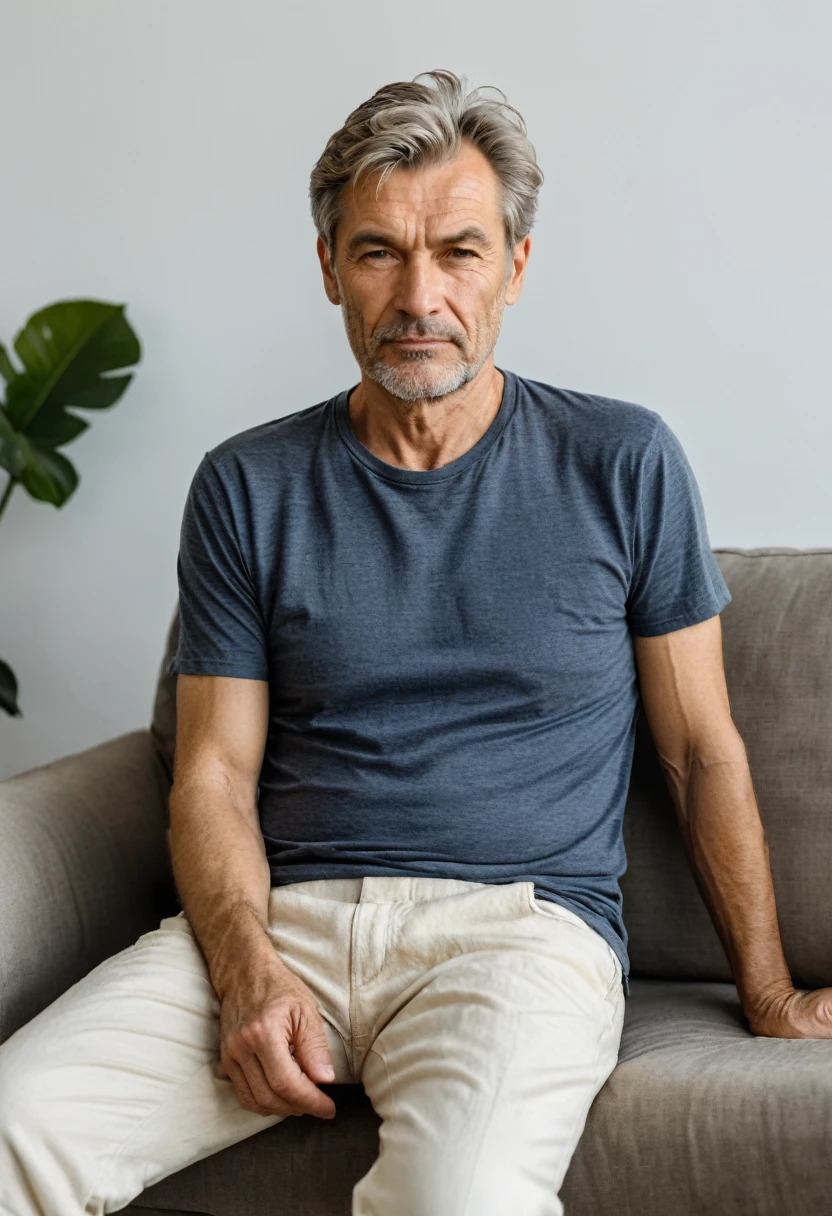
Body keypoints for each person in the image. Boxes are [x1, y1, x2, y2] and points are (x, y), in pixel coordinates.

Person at [2, 67, 829, 1216]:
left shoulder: (623, 463)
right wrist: (247, 971)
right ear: (330, 266)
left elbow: (701, 751)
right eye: (380, 250)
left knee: (460, 1200)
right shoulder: (248, 487)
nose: (419, 295)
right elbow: (212, 774)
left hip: (518, 938)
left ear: (516, 268)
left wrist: (774, 992)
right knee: (14, 1128)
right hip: (281, 917)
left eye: (459, 250)